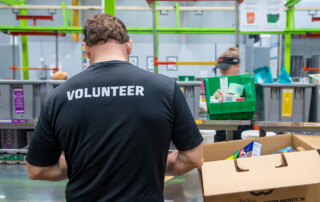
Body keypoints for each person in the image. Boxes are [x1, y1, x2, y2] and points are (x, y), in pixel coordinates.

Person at [26, 13, 203, 201]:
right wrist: (149, 164)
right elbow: (193, 157)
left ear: (85, 49)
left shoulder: (58, 97)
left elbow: (37, 169)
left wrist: (87, 164)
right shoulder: (165, 89)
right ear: (129, 46)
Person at [213, 47, 253, 142]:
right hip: (221, 138)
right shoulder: (219, 87)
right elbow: (215, 103)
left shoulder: (247, 87)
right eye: (221, 69)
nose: (222, 72)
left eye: (226, 68)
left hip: (242, 138)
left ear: (238, 66)